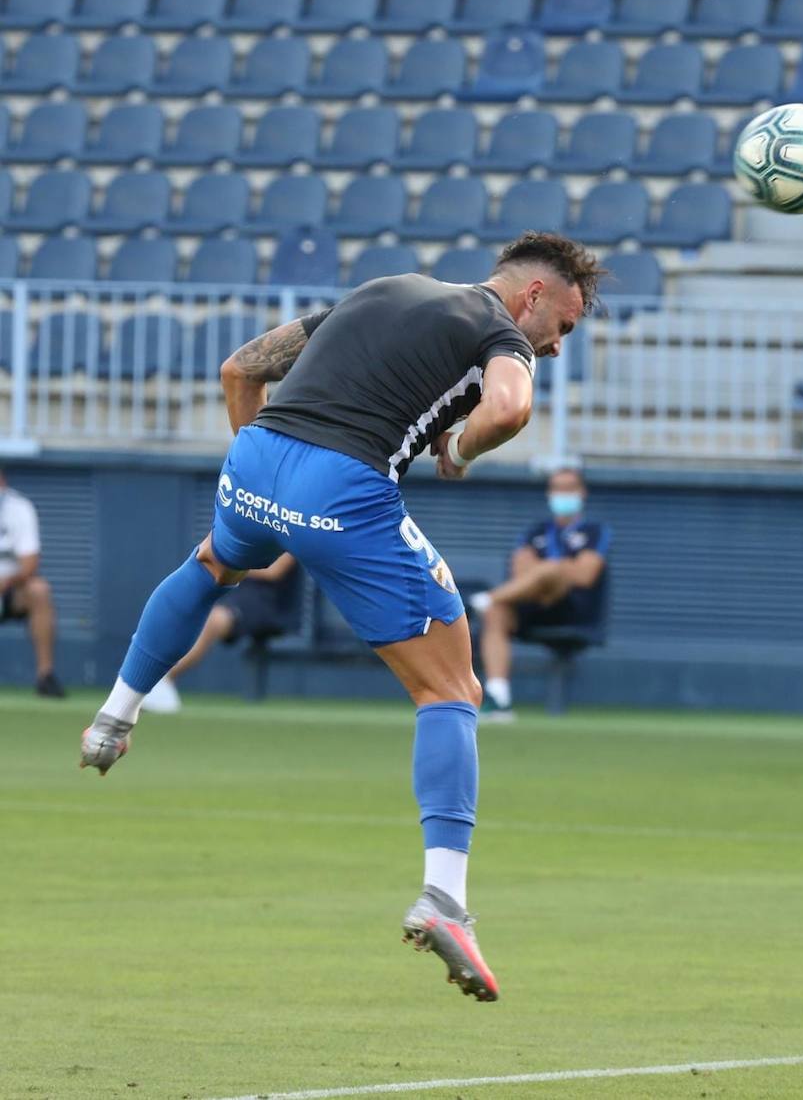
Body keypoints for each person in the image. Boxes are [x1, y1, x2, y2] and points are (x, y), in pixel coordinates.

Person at [79, 231, 602, 1003]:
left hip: (257, 457)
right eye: (561, 328)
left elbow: (241, 369)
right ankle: (445, 897)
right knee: (452, 689)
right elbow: (511, 407)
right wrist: (461, 444)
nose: (556, 347)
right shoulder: (499, 333)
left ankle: (111, 721)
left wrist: (268, 494)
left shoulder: (382, 288)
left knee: (210, 564)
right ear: (533, 298)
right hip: (342, 485)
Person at [470, 466, 610, 721]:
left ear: (582, 492)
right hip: (532, 605)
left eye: (569, 488)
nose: (562, 494)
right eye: (557, 488)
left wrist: (551, 570)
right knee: (496, 612)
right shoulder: (535, 532)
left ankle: (489, 597)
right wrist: (560, 569)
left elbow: (585, 575)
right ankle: (499, 699)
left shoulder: (594, 532)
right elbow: (520, 571)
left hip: (573, 610)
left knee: (549, 570)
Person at [140, 553, 301, 714]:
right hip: (237, 596)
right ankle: (157, 680)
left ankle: (163, 679)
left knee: (216, 619)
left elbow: (274, 571)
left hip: (271, 607)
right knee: (192, 612)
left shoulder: (290, 533)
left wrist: (230, 566)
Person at [0, 471, 64, 697]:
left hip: (10, 589)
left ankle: (45, 676)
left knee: (39, 590)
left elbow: (30, 562)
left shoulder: (19, 508)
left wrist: (8, 580)